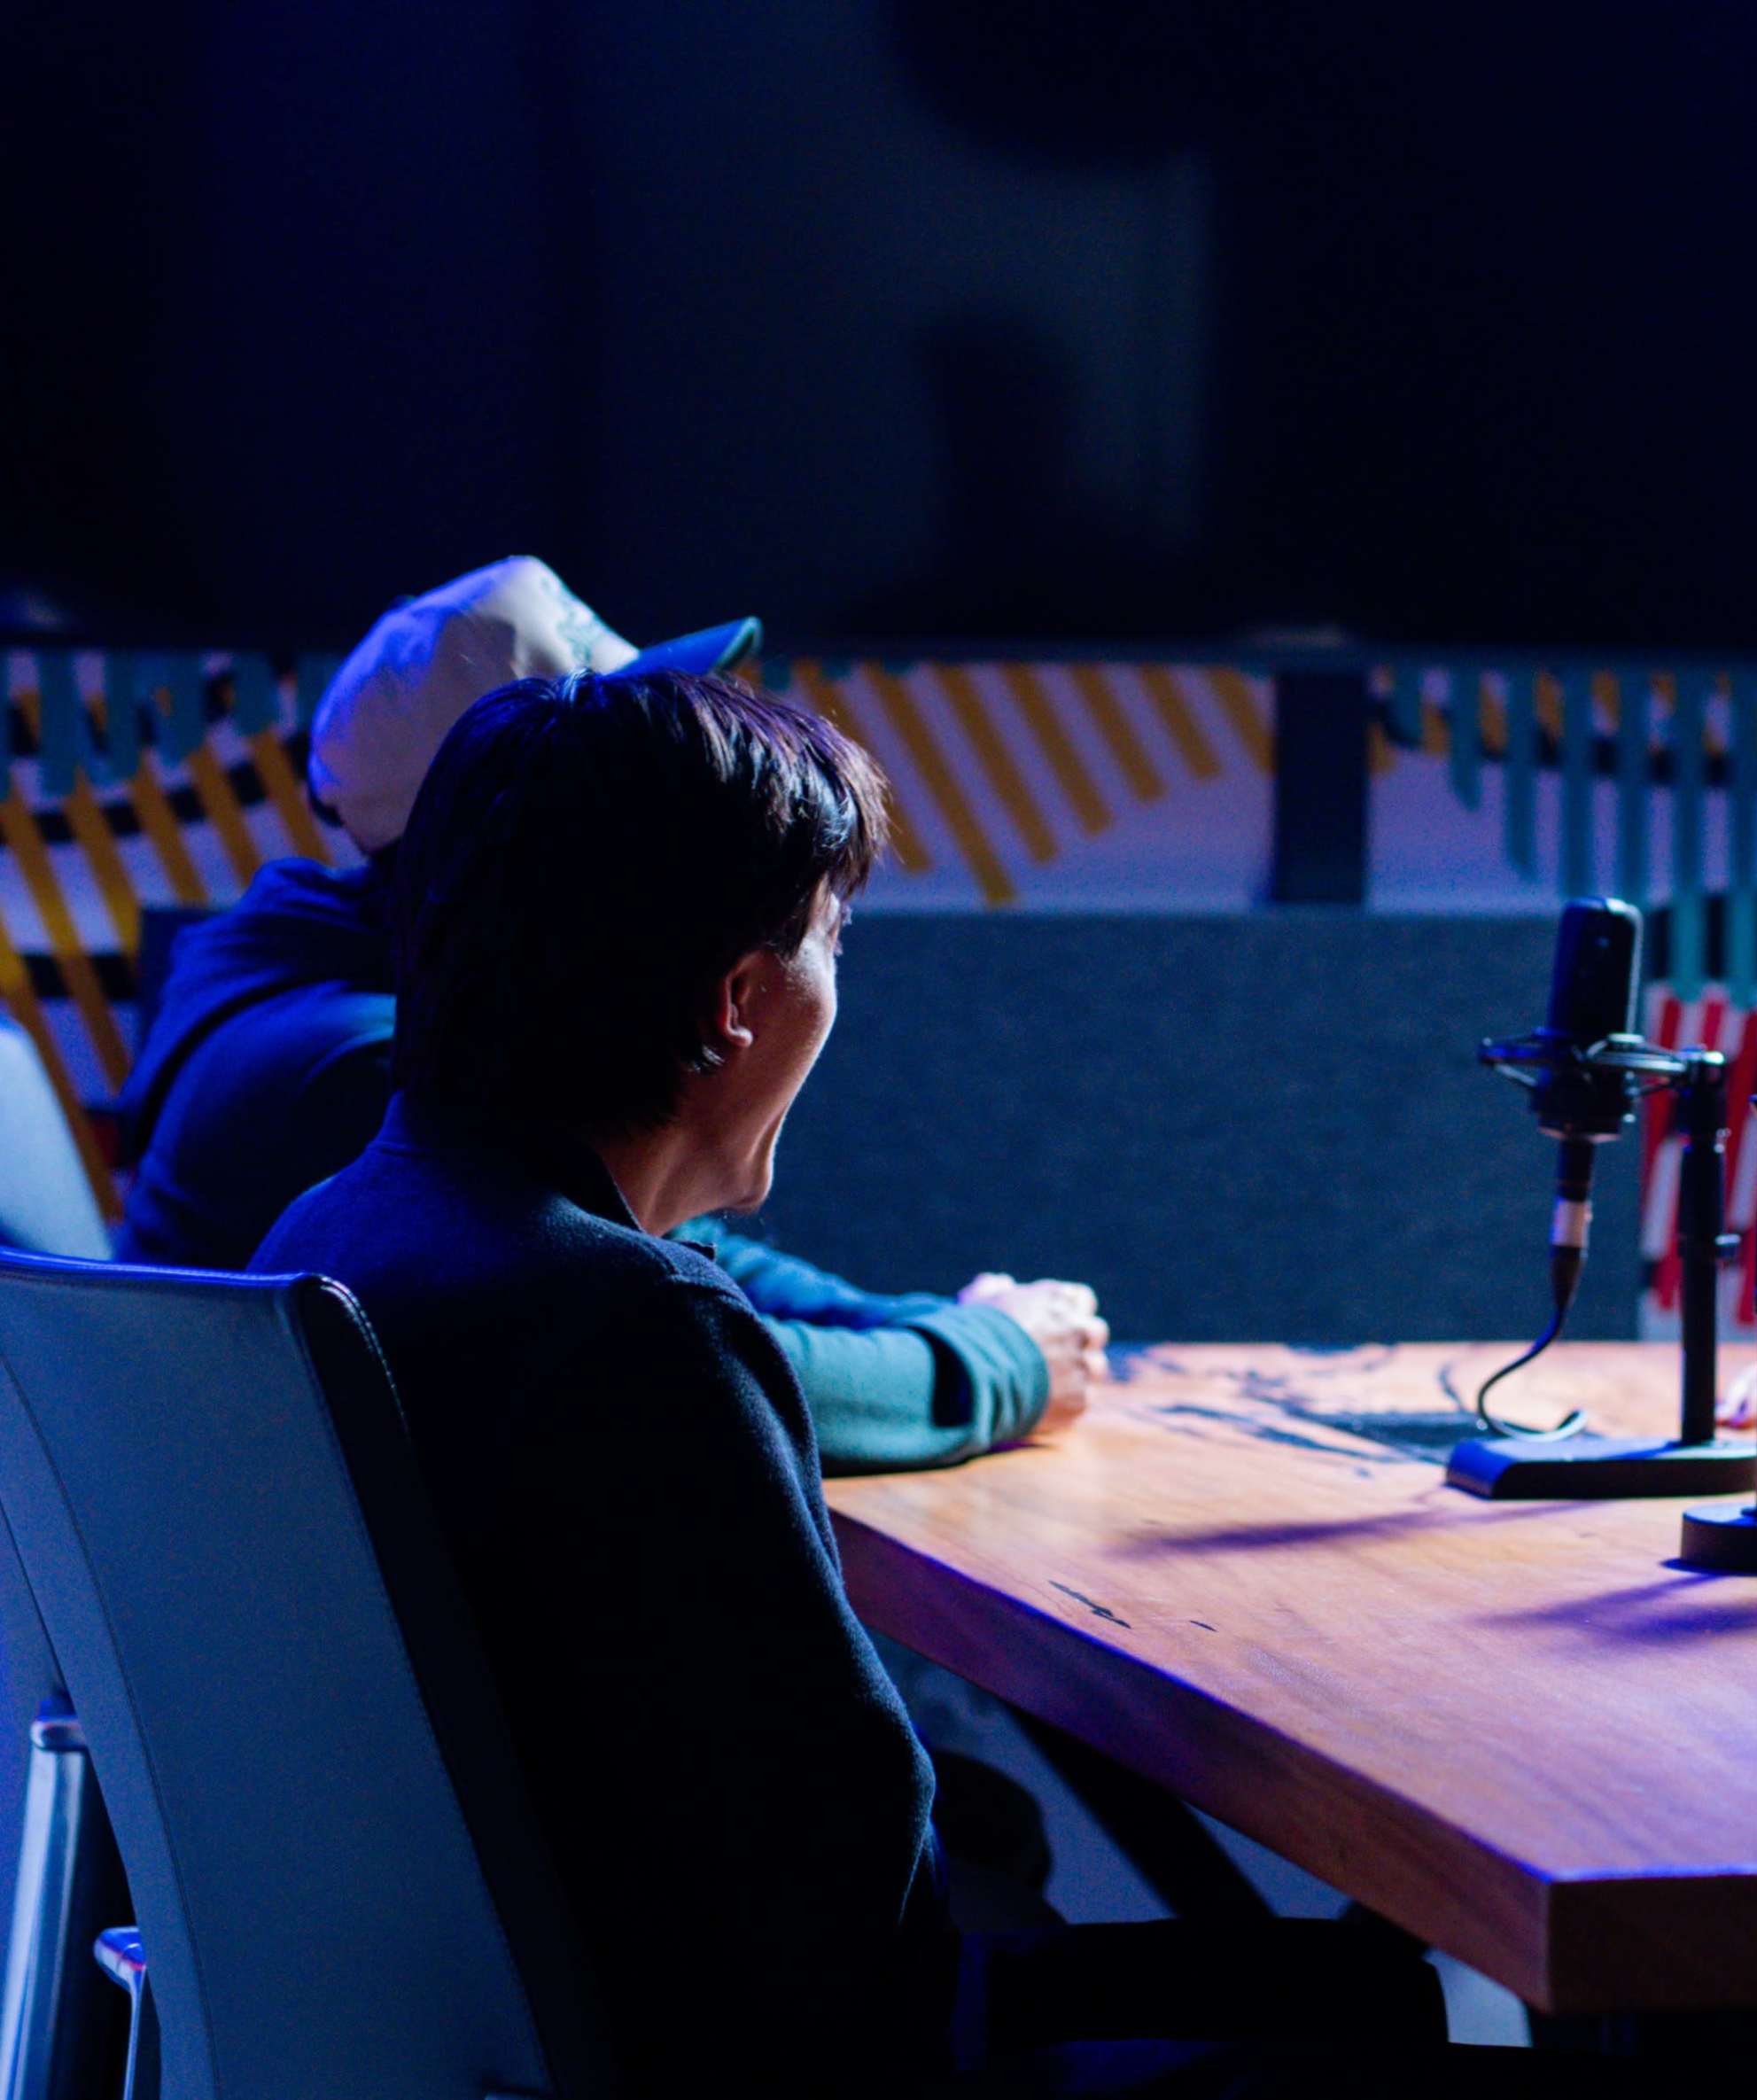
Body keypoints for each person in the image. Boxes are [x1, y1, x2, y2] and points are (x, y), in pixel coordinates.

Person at [256, 669, 1450, 2096]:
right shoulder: (627, 1326)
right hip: (760, 2061)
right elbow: (855, 1890)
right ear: (742, 998)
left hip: (524, 2027)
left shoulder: (329, 1235)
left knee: (1343, 1975)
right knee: (1367, 1996)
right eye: (833, 939)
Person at [113, 556, 1104, 1469]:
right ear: (512, 794)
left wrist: (922, 1322)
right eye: (620, 747)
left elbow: (672, 1271)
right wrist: (994, 1361)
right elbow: (667, 1358)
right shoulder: (371, 1068)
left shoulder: (305, 975)